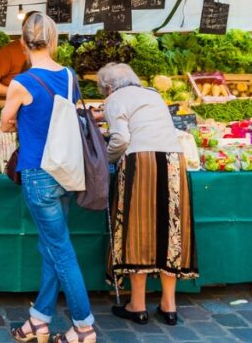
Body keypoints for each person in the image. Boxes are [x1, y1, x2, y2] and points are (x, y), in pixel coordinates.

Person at [0, 12, 95, 343]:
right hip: (66, 171)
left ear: (23, 43)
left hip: (38, 175)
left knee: (60, 250)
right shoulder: (69, 76)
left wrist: (18, 120)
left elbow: (4, 121)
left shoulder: (21, 82)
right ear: (53, 41)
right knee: (52, 247)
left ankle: (84, 326)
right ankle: (38, 320)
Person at [98, 63, 197, 327]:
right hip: (174, 160)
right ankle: (169, 305)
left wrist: (104, 160)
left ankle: (138, 305)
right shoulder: (153, 94)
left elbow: (120, 139)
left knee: (138, 230)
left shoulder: (114, 99)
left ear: (108, 87)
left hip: (140, 162)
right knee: (171, 230)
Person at [0, 12, 39, 98]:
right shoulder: (8, 51)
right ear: (23, 28)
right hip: (10, 106)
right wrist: (18, 93)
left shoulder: (43, 51)